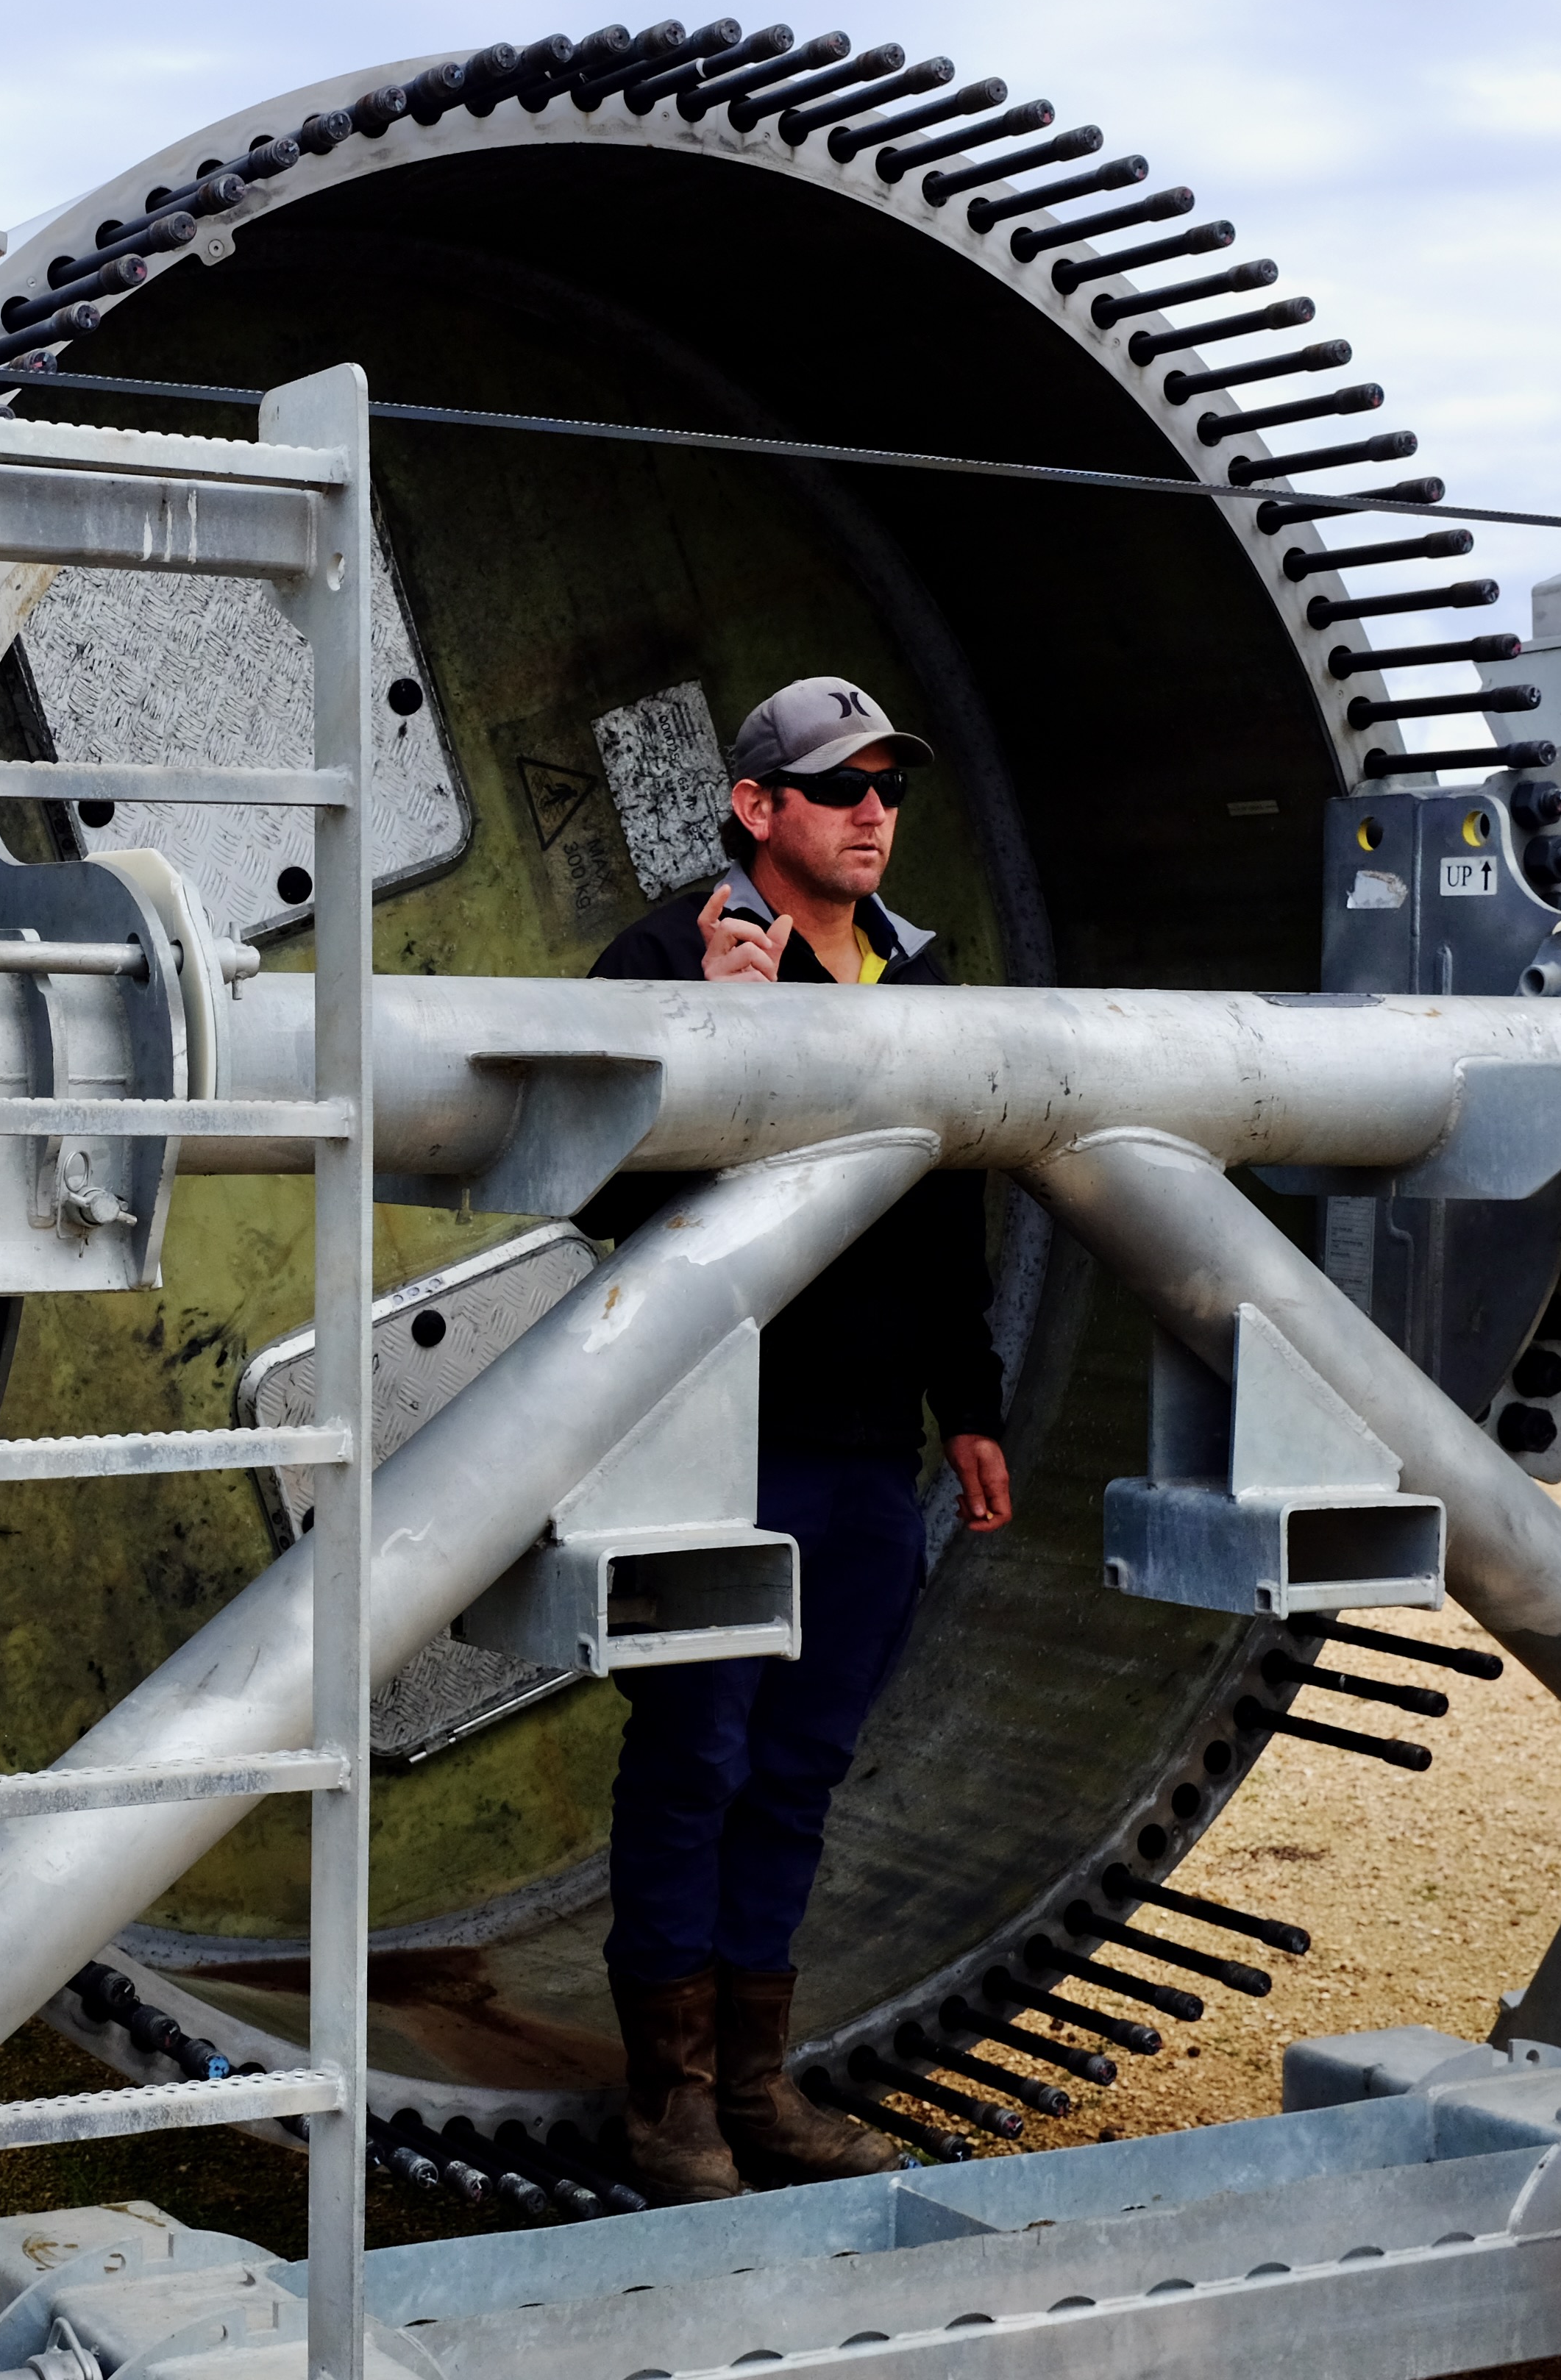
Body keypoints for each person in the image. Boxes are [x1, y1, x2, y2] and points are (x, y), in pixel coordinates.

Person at [584, 675, 1014, 2200]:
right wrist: (721, 1037)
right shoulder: (663, 961)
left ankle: (755, 2087)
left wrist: (969, 1403)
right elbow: (603, 1202)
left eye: (889, 788)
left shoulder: (922, 977)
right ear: (757, 809)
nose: (873, 815)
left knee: (802, 1763)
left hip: (863, 1453)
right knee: (693, 1755)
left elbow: (946, 1206)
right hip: (713, 1440)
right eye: (840, 790)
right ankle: (668, 2103)